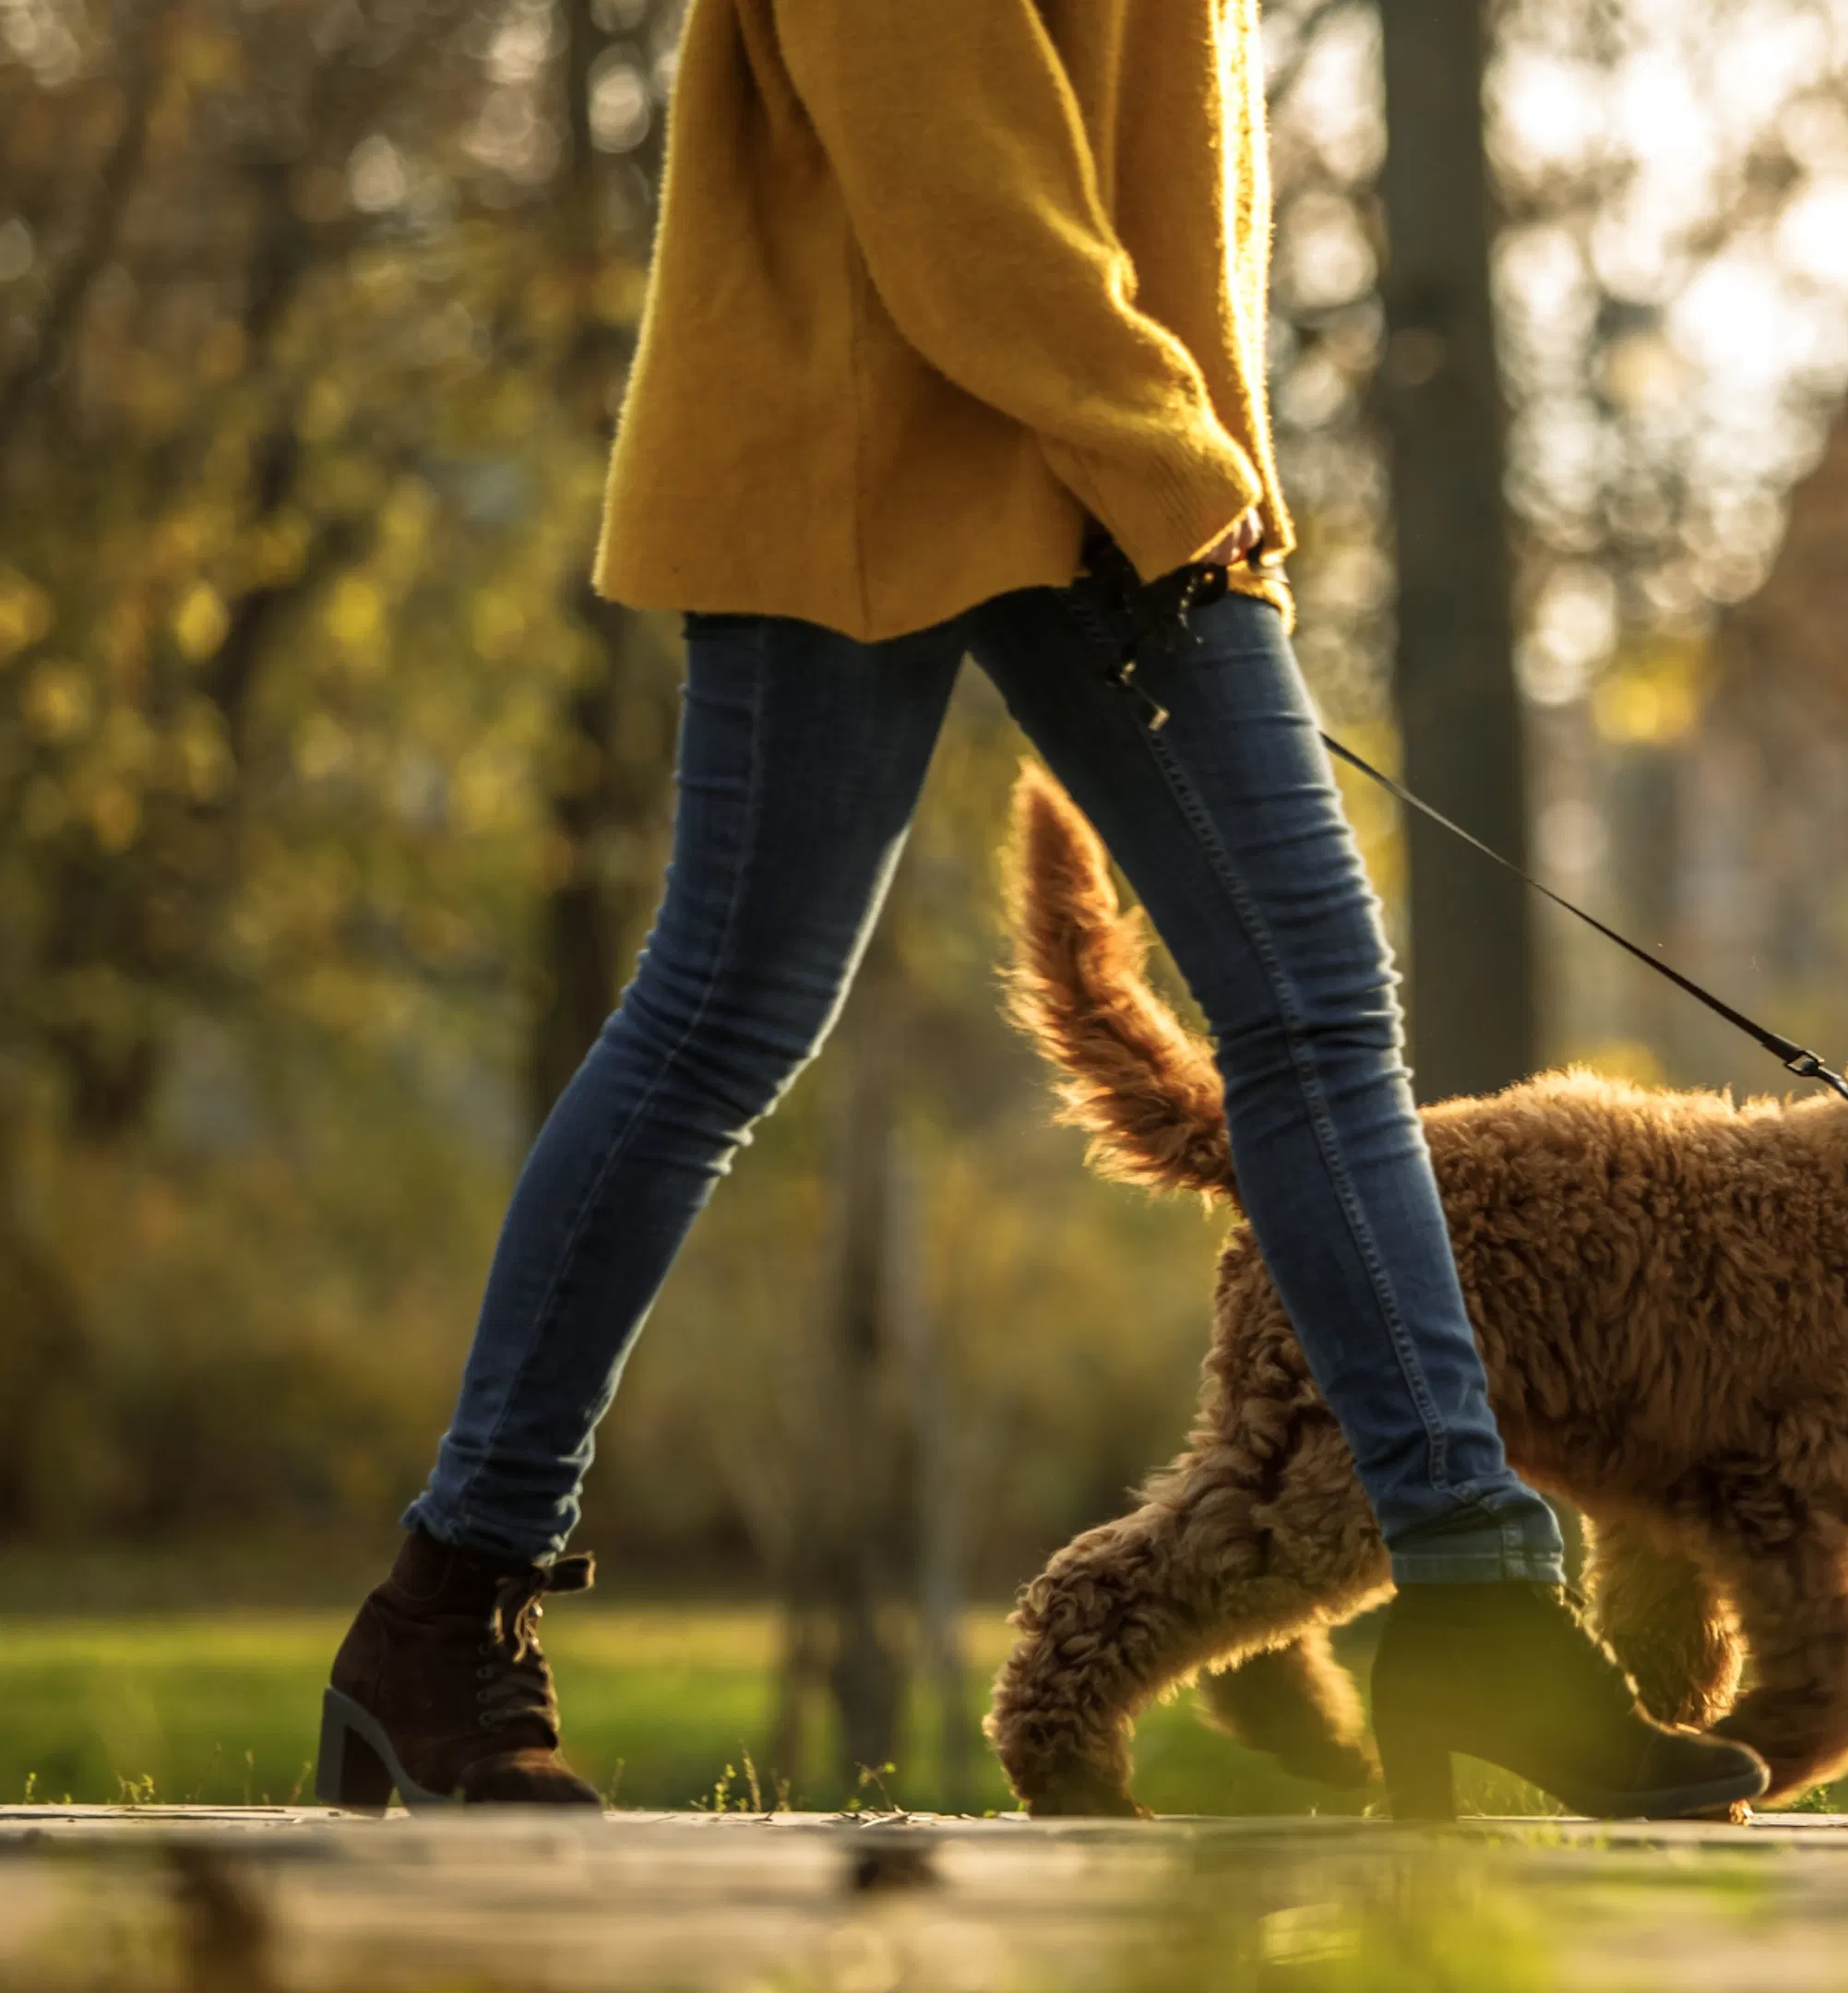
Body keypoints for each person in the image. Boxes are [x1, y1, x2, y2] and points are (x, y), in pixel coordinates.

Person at [316, 0, 1766, 1819]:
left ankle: (1475, 1593)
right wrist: (1178, 460)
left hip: (1096, 433)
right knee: (719, 1023)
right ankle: (444, 1616)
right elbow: (950, 156)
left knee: (1316, 1012)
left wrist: (1173, 443)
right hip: (876, 411)